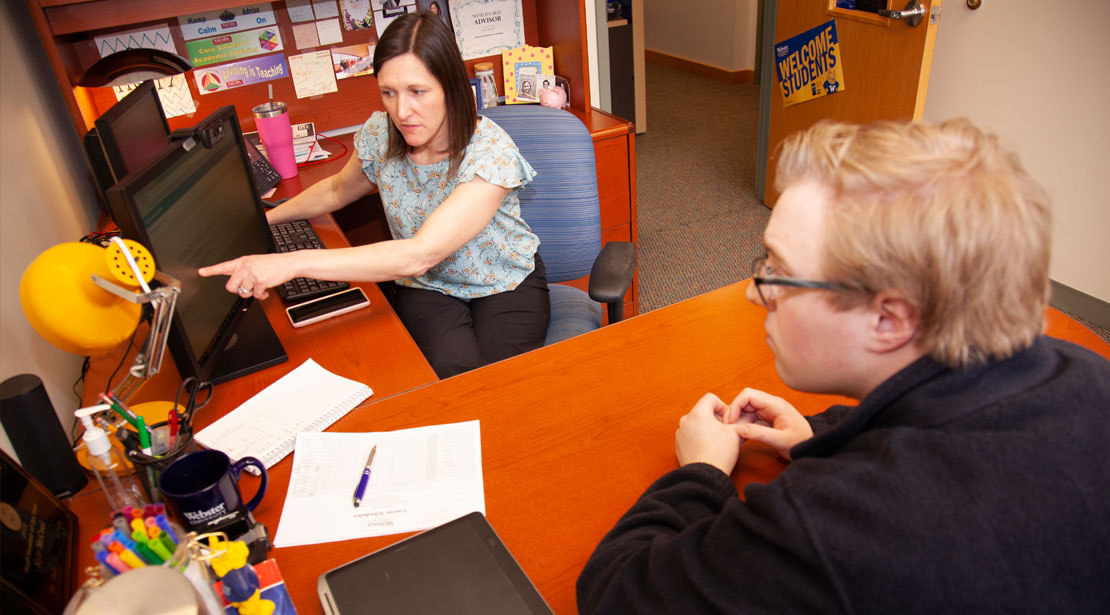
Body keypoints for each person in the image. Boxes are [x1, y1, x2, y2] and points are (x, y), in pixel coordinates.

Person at [576, 119, 1110, 613]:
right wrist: (821, 434)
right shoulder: (1085, 372)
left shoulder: (832, 525)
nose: (755, 293)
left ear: (888, 319)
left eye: (780, 272)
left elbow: (615, 593)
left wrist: (701, 471)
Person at [199, 13, 549, 378]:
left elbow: (419, 253)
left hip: (504, 280)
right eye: (388, 93)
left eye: (417, 92)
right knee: (450, 371)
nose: (401, 111)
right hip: (428, 286)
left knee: (498, 380)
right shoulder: (380, 134)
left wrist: (291, 263)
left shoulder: (489, 152)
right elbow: (337, 189)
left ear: (450, 86)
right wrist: (264, 220)